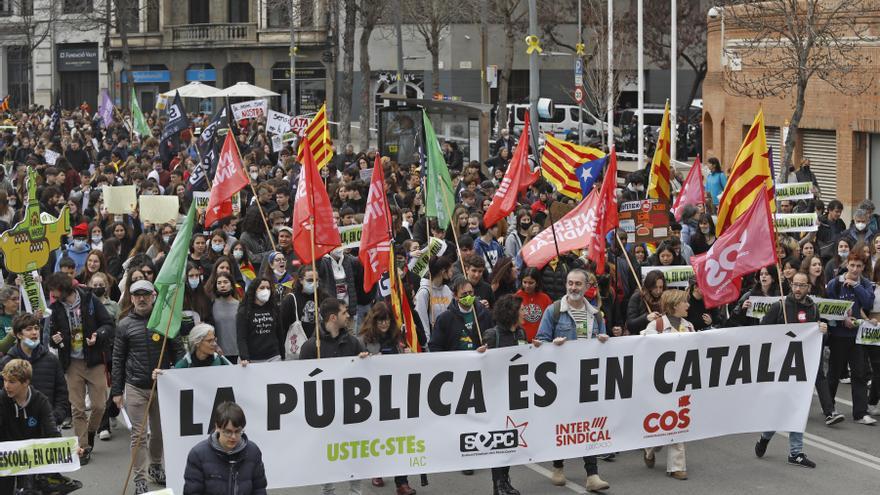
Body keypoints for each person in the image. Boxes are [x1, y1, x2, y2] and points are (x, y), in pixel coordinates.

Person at [533, 269, 610, 492]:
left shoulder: (596, 314)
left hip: (587, 379)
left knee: (589, 423)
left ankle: (592, 474)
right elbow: (540, 342)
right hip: (560, 380)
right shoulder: (554, 311)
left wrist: (604, 341)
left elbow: (603, 343)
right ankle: (558, 467)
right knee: (563, 423)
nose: (573, 287)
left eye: (577, 284)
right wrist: (552, 346)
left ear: (587, 287)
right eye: (570, 283)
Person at [112, 280, 184, 494]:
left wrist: (176, 377)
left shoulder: (165, 321)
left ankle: (155, 466)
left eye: (145, 294)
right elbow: (118, 359)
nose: (141, 298)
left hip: (162, 386)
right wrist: (116, 391)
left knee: (159, 432)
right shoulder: (124, 324)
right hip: (135, 386)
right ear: (131, 298)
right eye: (137, 295)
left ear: (153, 296)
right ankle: (139, 479)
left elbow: (178, 351)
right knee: (139, 434)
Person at [755, 271, 832, 467]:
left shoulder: (813, 308)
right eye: (795, 285)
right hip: (780, 367)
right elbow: (761, 332)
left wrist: (823, 330)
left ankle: (795, 452)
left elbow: (818, 337)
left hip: (802, 368)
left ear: (808, 287)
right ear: (790, 285)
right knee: (781, 408)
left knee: (798, 407)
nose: (798, 289)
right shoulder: (779, 306)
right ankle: (765, 436)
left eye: (802, 285)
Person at [45, 271, 115, 465]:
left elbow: (109, 325)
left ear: (63, 289)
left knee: (99, 405)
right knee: (77, 408)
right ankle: (82, 447)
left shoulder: (89, 300)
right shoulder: (55, 308)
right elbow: (51, 334)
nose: (52, 294)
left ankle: (91, 432)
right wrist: (55, 339)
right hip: (72, 363)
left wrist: (98, 336)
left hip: (94, 360)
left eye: (54, 290)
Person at [299, 299, 368, 495]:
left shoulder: (354, 343)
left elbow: (363, 377)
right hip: (325, 413)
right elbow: (302, 381)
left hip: (350, 411)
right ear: (333, 317)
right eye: (345, 312)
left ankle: (355, 491)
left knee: (354, 453)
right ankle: (327, 491)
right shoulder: (311, 347)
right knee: (326, 454)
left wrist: (365, 361)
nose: (348, 316)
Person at [358, 302, 418, 494]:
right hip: (373, 396)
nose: (384, 324)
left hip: (397, 393)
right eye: (380, 320)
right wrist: (366, 359)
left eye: (387, 320)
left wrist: (407, 354)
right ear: (373, 321)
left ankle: (402, 482)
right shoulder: (362, 340)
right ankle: (377, 469)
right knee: (378, 436)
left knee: (399, 438)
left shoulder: (396, 337)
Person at [0, 359, 82, 495]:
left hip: (31, 458)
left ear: (26, 382)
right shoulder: (2, 399)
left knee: (30, 490)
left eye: (12, 382)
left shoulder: (40, 401)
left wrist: (72, 449)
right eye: (5, 380)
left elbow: (52, 431)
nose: (6, 386)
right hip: (6, 456)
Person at [639, 289, 692, 479]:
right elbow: (642, 347)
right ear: (674, 305)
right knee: (662, 421)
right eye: (685, 302)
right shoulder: (657, 325)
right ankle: (649, 448)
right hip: (659, 383)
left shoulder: (690, 326)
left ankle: (677, 466)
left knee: (679, 420)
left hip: (682, 382)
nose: (688, 305)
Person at [481, 295, 528, 495]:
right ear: (512, 313)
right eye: (522, 309)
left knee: (509, 440)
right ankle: (498, 484)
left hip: (515, 395)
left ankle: (505, 480)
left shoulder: (521, 333)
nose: (525, 312)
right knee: (498, 440)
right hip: (496, 396)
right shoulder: (493, 335)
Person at [824, 252, 876, 424]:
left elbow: (868, 303)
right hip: (839, 335)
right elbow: (827, 309)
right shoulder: (834, 284)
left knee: (859, 374)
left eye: (859, 266)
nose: (855, 269)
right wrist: (842, 319)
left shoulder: (866, 283)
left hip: (857, 337)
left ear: (863, 267)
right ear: (847, 264)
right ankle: (829, 408)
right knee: (834, 373)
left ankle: (860, 414)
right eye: (852, 265)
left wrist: (855, 285)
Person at [183, 401, 268, 495]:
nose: (233, 437)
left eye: (238, 431)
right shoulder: (198, 455)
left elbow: (259, 489)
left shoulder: (253, 452)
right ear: (217, 427)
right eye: (228, 432)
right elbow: (192, 492)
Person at [429, 278, 493, 353]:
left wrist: (486, 347)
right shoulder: (444, 319)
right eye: (464, 294)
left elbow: (493, 338)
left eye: (470, 292)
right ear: (455, 296)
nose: (468, 296)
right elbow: (435, 345)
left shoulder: (484, 314)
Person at [237, 277, 282, 365]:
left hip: (273, 357)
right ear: (254, 290)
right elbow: (241, 337)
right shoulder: (244, 311)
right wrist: (244, 357)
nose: (266, 290)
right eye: (262, 288)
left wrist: (282, 354)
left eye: (268, 288)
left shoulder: (274, 309)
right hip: (251, 359)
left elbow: (280, 332)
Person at [515, 267, 552, 342]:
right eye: (524, 282)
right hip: (521, 341)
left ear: (537, 283)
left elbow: (550, 320)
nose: (527, 286)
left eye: (531, 283)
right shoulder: (516, 297)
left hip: (541, 341)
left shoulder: (545, 298)